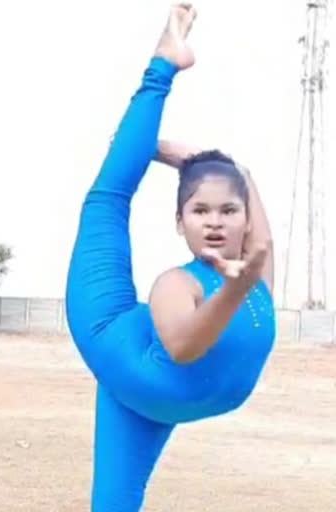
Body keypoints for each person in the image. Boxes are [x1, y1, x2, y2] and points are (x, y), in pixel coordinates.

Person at [65, 4, 276, 510]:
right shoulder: (178, 286)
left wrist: (189, 160)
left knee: (116, 500)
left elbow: (242, 178)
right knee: (107, 202)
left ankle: (157, 80)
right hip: (116, 340)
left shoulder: (259, 268)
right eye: (198, 211)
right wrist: (234, 291)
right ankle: (162, 65)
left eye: (228, 211)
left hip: (151, 386)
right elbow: (182, 346)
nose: (215, 220)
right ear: (179, 224)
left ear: (246, 219)